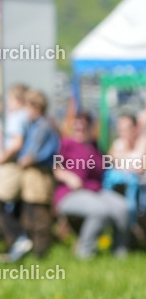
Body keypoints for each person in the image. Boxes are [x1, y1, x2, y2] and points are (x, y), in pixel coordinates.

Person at [54, 112, 129, 259]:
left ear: (91, 127)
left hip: (96, 191)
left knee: (122, 208)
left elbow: (109, 162)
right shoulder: (66, 144)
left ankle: (120, 252)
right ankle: (85, 252)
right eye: (77, 126)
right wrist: (68, 176)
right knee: (100, 211)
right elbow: (55, 168)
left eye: (84, 126)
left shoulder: (95, 146)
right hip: (70, 192)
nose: (80, 129)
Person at [10, 89, 59, 260]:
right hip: (34, 175)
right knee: (31, 212)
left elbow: (36, 152)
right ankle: (36, 249)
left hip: (39, 175)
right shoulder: (39, 124)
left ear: (36, 108)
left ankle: (41, 251)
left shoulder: (43, 126)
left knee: (39, 215)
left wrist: (25, 160)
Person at [0, 84, 31, 258]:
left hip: (12, 166)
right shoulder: (28, 117)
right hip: (20, 167)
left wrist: (2, 158)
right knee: (15, 206)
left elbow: (17, 142)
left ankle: (19, 238)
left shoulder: (17, 117)